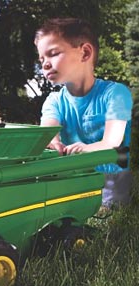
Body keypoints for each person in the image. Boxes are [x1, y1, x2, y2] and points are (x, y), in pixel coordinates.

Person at [35, 17, 133, 208]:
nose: (45, 64)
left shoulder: (116, 93)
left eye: (53, 53)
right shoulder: (54, 101)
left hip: (110, 180)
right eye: (41, 59)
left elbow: (111, 142)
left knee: (105, 216)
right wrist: (53, 143)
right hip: (72, 176)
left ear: (85, 53)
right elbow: (48, 134)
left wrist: (84, 149)